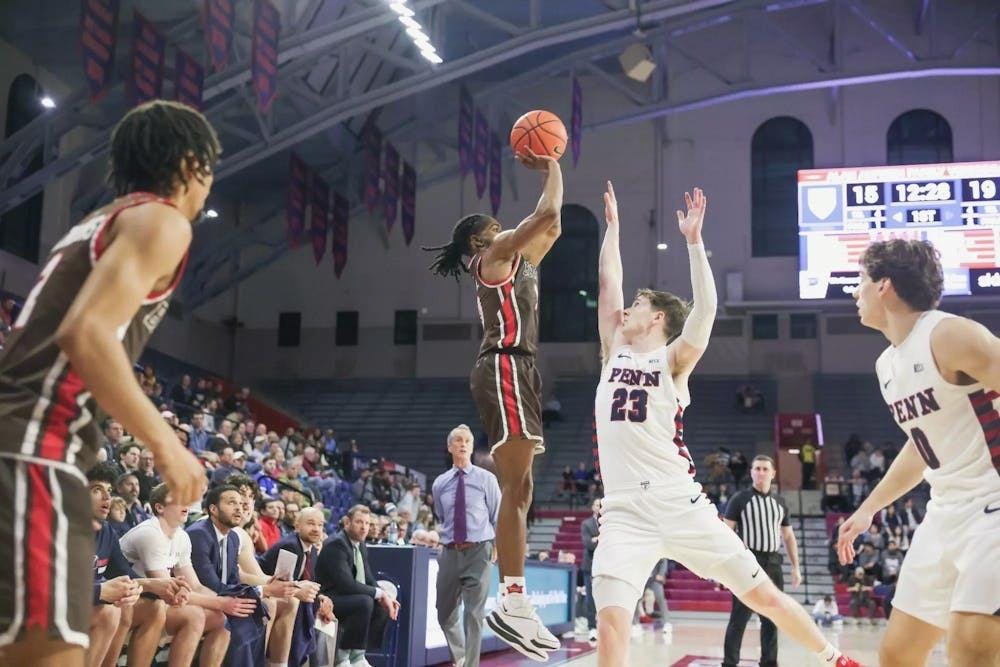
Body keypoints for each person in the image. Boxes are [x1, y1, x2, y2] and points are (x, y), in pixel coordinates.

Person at [591, 182, 857, 667]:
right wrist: (612, 229)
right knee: (611, 621)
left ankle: (834, 657)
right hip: (625, 512)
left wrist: (694, 243)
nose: (625, 309)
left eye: (638, 306)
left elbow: (705, 314)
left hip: (678, 502)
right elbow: (609, 280)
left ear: (657, 321)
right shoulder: (614, 350)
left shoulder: (672, 362)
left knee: (764, 596)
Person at [0, 100, 213, 667]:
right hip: (33, 449)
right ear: (192, 164)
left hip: (23, 445)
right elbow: (87, 332)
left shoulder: (96, 223)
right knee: (48, 655)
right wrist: (167, 447)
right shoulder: (162, 220)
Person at [423, 146, 563, 659]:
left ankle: (515, 601)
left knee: (522, 486)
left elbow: (553, 227)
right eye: (500, 226)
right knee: (513, 484)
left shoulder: (520, 260)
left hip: (520, 368)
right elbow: (543, 215)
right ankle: (513, 600)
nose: (508, 230)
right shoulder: (495, 256)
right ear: (483, 238)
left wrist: (554, 168)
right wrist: (550, 162)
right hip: (503, 364)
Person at [837, 238, 1000, 666]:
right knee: (898, 653)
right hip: (944, 512)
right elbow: (921, 443)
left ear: (884, 286)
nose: (855, 291)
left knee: (972, 647)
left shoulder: (948, 334)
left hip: (993, 507)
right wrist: (869, 507)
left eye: (861, 281)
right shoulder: (887, 365)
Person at [120, 483, 247, 667]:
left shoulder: (181, 536)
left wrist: (225, 602)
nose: (185, 504)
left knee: (221, 618)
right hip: (128, 600)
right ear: (160, 507)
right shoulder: (150, 533)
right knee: (194, 615)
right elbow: (167, 590)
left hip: (154, 600)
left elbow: (194, 585)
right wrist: (222, 602)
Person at [431, 425, 501, 667]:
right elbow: (441, 516)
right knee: (444, 612)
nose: (463, 444)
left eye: (467, 441)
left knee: (473, 614)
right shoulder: (440, 483)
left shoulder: (487, 479)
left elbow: (497, 516)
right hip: (450, 552)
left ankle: (470, 665)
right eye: (458, 441)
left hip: (479, 551)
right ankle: (461, 657)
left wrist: (497, 546)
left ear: (471, 447)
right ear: (450, 447)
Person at [721, 455, 800, 667]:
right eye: (757, 468)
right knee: (739, 617)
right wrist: (726, 567)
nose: (761, 472)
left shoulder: (780, 502)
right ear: (751, 472)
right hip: (748, 562)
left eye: (765, 469)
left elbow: (788, 536)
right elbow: (726, 534)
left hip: (773, 562)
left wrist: (796, 567)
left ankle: (769, 662)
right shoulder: (739, 499)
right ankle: (729, 663)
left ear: (773, 473)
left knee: (773, 616)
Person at [315, 504, 400, 667]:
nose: (364, 527)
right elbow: (345, 584)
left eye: (367, 524)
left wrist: (384, 595)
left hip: (345, 595)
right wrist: (379, 594)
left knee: (379, 605)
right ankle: (342, 658)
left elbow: (368, 577)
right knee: (364, 602)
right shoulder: (336, 544)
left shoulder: (359, 544)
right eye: (359, 522)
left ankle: (359, 655)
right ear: (347, 522)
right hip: (328, 597)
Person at [580, 497, 601, 642]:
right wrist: (599, 540)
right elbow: (588, 544)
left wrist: (596, 538)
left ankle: (604, 627)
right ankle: (592, 628)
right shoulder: (586, 524)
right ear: (592, 507)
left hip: (607, 564)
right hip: (590, 565)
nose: (599, 507)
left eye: (601, 505)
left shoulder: (610, 523)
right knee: (590, 599)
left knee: (605, 598)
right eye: (597, 505)